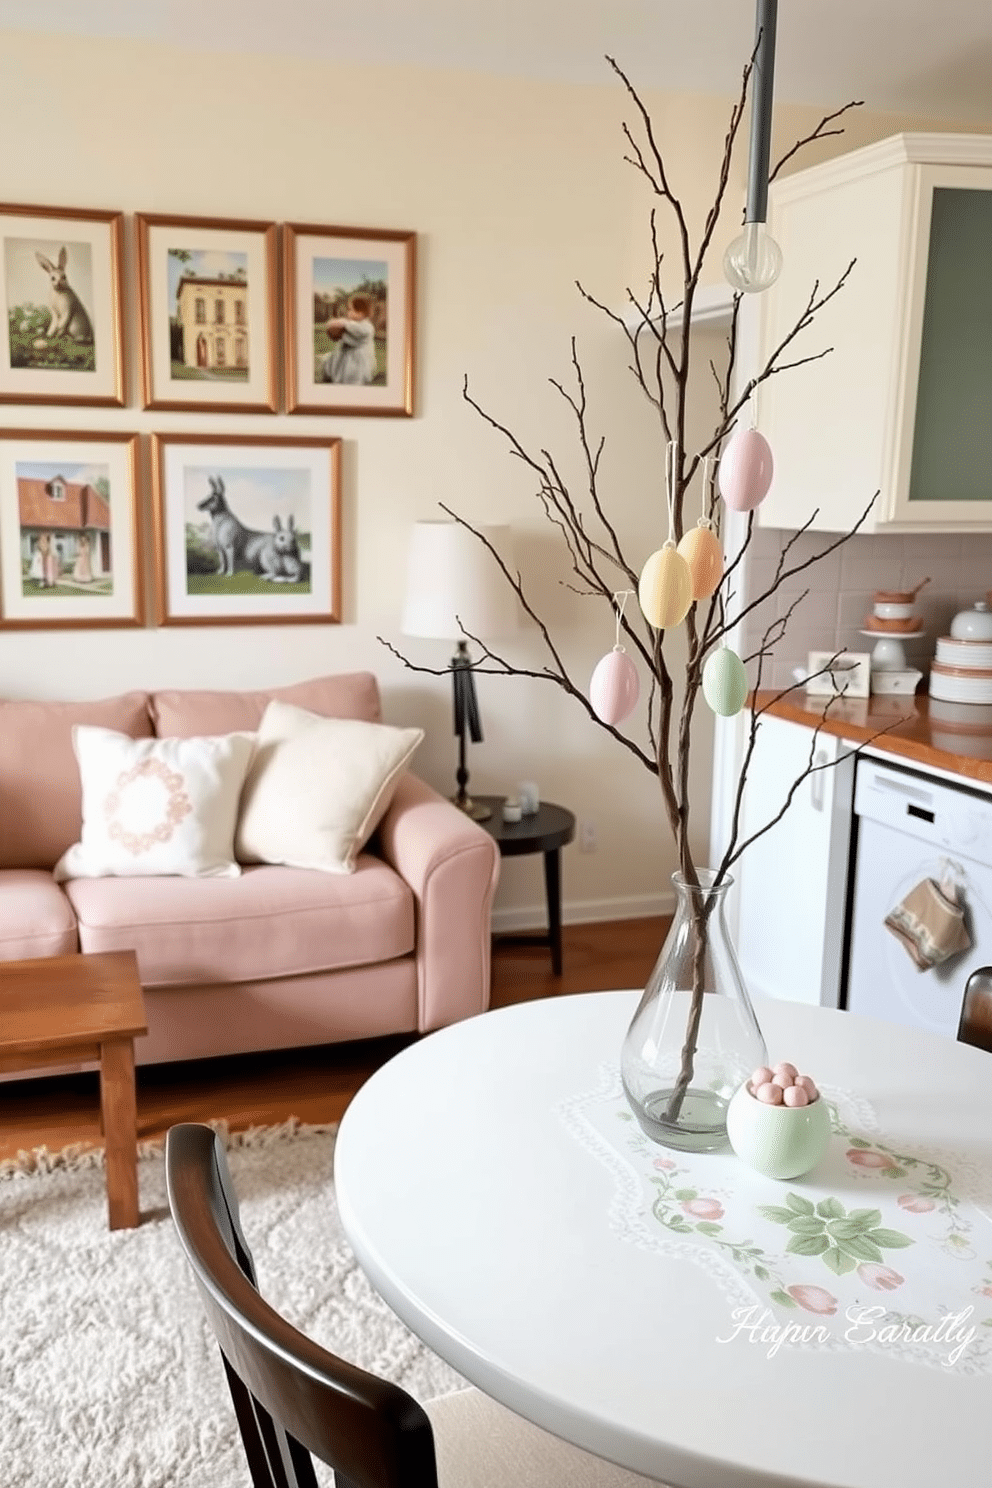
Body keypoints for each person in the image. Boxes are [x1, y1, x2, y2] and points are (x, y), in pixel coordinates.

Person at [321, 293, 377, 385]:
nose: (348, 312)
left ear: (360, 312)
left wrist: (343, 323)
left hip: (357, 357)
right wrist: (336, 325)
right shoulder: (352, 323)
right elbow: (342, 330)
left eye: (351, 309)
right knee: (333, 364)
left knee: (351, 373)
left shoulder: (367, 326)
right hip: (345, 353)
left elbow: (356, 329)